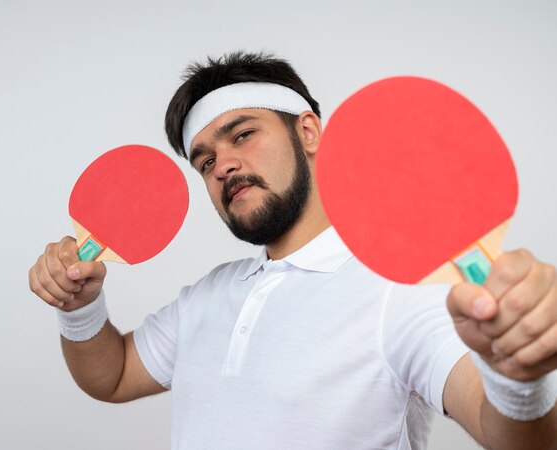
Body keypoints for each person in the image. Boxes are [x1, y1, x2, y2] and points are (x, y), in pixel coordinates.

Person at [28, 51, 557, 449]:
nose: (224, 166)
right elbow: (113, 376)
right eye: (205, 161)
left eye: (242, 135)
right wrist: (80, 309)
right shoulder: (207, 297)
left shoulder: (400, 292)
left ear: (307, 131)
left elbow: (510, 434)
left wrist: (519, 376)